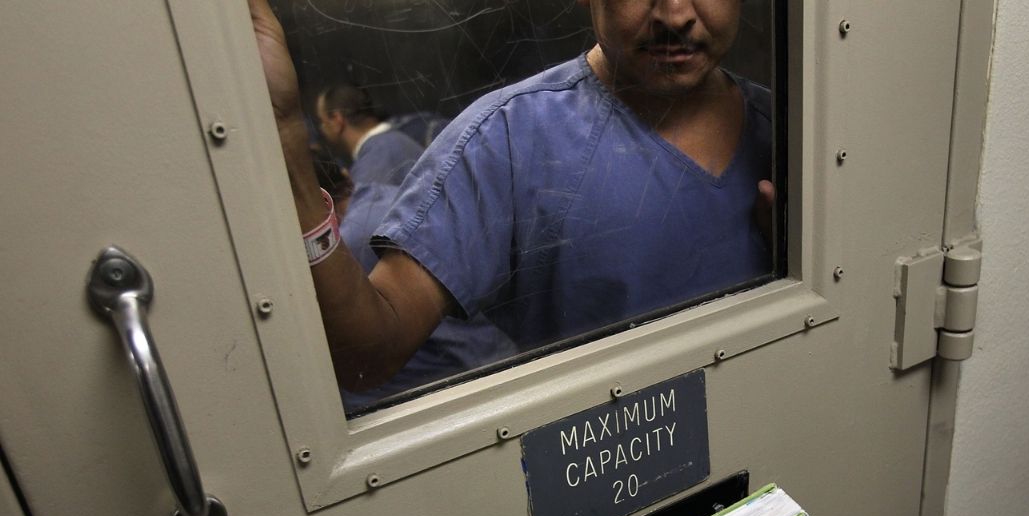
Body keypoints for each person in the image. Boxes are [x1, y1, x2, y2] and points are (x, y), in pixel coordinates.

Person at [249, 0, 775, 393]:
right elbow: (367, 354)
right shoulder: (510, 140)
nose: (676, 14)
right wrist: (282, 134)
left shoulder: (792, 135)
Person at [314, 84, 517, 409]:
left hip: (472, 372)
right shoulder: (380, 184)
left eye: (321, 121)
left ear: (337, 120)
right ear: (344, 175)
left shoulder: (355, 235)